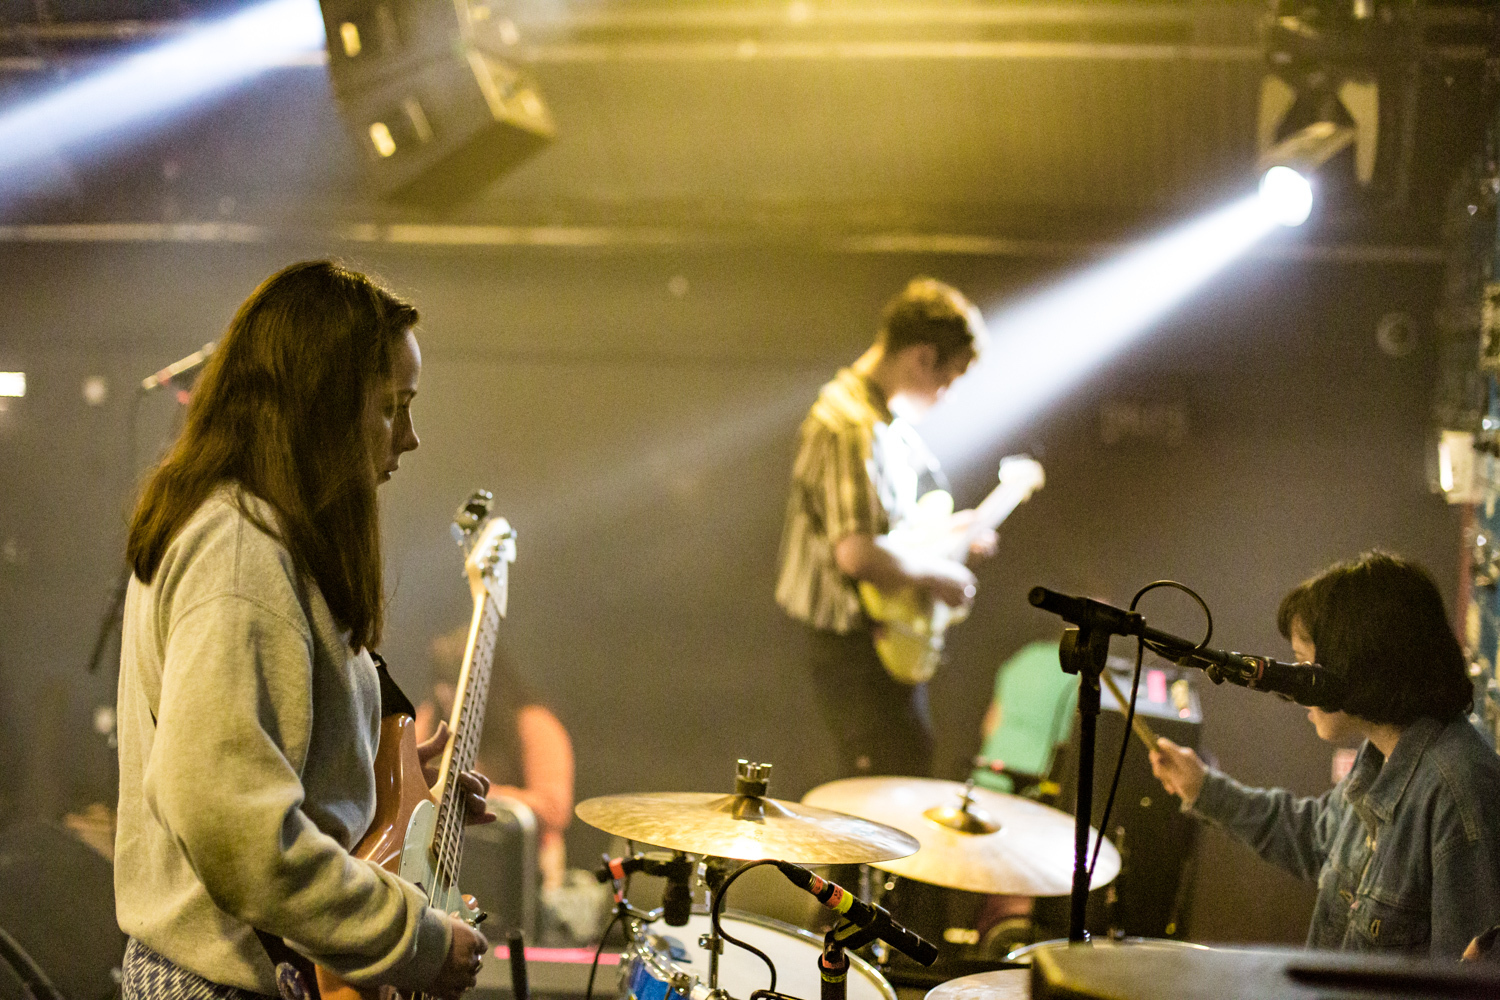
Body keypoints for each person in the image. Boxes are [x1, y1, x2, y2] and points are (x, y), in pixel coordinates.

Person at [115, 261, 492, 1000]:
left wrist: (386, 778)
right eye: (393, 406)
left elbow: (255, 761)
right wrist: (411, 939)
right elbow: (231, 823)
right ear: (320, 408)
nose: (409, 438)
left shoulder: (260, 537)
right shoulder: (238, 552)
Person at [1149, 551, 1500, 957]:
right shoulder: (1379, 758)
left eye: (1303, 664)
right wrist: (1203, 788)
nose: (1296, 685)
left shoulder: (1460, 795)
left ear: (1357, 662)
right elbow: (1315, 839)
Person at [774, 276, 993, 778]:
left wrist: (950, 539)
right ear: (921, 357)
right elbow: (857, 553)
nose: (949, 395)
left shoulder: (881, 421)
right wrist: (937, 576)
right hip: (853, 649)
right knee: (878, 794)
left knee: (903, 772)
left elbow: (891, 534)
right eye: (950, 378)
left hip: (876, 641)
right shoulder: (851, 424)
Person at [418, 627, 575, 891]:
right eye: (441, 683)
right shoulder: (431, 718)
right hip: (447, 866)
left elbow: (554, 809)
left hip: (518, 872)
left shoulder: (534, 724)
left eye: (456, 684)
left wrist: (475, 793)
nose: (446, 694)